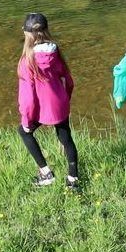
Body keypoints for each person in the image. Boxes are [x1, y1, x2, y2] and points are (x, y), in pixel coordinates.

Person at [17, 12, 80, 189]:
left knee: (24, 131)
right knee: (66, 138)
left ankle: (46, 174)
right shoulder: (55, 50)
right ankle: (73, 179)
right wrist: (65, 99)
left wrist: (26, 119)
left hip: (41, 108)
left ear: (26, 33)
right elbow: (68, 80)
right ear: (46, 30)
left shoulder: (27, 60)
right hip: (60, 104)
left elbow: (28, 98)